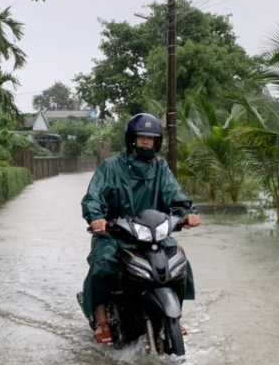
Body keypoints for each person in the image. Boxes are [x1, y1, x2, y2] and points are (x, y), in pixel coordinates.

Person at [80, 112, 200, 343]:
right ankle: (101, 317)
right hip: (116, 234)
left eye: (151, 137)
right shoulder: (111, 167)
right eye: (141, 136)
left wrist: (188, 214)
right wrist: (97, 218)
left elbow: (175, 194)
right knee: (103, 263)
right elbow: (93, 197)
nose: (146, 141)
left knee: (178, 259)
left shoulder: (160, 168)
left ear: (157, 142)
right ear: (131, 139)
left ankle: (174, 314)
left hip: (152, 234)